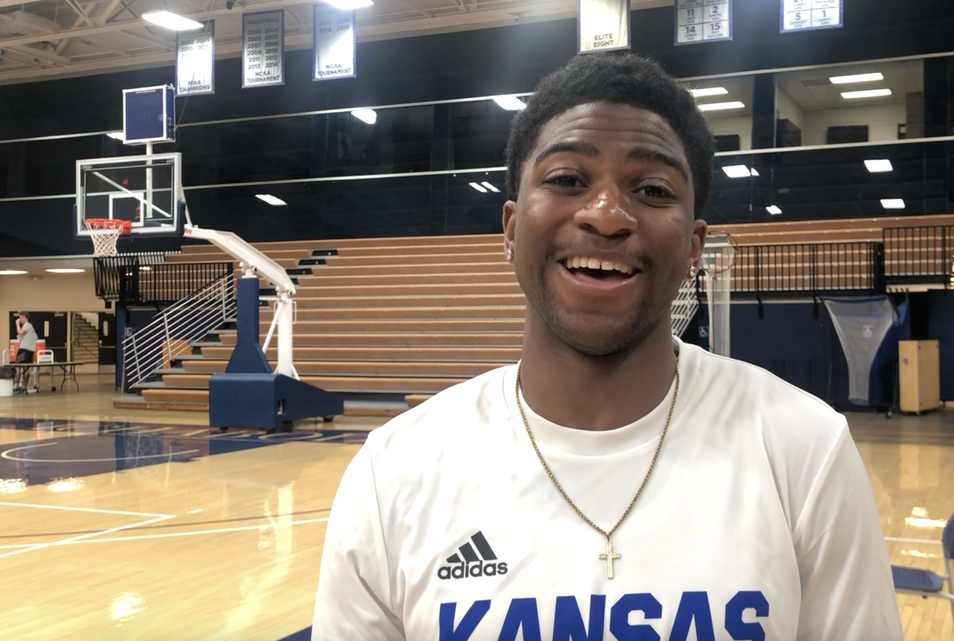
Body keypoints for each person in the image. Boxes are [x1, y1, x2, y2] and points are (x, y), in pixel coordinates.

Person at [313, 53, 902, 640]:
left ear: (695, 246)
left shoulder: (805, 450)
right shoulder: (393, 473)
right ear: (512, 229)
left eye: (651, 189)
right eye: (568, 179)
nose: (606, 216)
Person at [13, 312, 37, 391]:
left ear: (25, 317)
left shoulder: (27, 325)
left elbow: (20, 332)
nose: (20, 319)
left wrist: (17, 324)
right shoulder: (31, 327)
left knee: (17, 367)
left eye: (21, 317)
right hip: (30, 350)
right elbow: (36, 337)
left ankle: (16, 385)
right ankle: (24, 386)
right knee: (27, 368)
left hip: (24, 349)